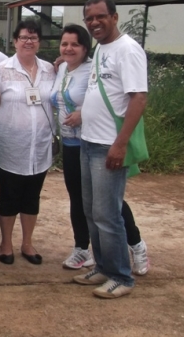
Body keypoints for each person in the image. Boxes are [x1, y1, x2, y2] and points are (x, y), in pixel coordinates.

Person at [50, 24, 150, 273]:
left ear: (86, 48)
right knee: (81, 200)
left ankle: (135, 244)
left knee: (108, 204)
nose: (69, 48)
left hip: (97, 140)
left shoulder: (93, 67)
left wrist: (82, 114)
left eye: (75, 44)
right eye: (65, 44)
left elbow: (116, 99)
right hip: (73, 144)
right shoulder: (61, 68)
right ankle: (83, 248)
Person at [73, 0, 149, 299]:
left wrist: (120, 144)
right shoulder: (102, 48)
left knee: (108, 214)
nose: (94, 23)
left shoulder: (128, 49)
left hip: (108, 144)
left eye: (100, 17)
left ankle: (121, 276)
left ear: (114, 17)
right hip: (89, 141)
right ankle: (103, 266)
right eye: (89, 18)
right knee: (92, 212)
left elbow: (138, 98)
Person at [0, 20, 56, 266]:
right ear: (15, 41)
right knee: (8, 196)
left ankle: (27, 242)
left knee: (32, 197)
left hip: (40, 146)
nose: (29, 41)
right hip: (10, 146)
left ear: (39, 42)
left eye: (34, 37)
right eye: (24, 37)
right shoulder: (0, 69)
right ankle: (5, 243)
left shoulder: (51, 69)